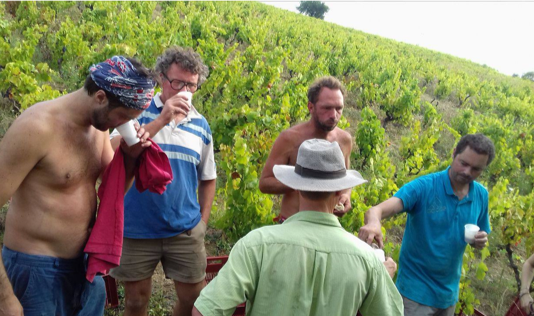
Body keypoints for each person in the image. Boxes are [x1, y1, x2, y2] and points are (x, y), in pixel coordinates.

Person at [0, 56, 156, 316]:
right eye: (123, 117)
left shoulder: (99, 128)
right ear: (101, 97)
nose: (123, 125)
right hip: (35, 270)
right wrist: (1, 295)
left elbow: (112, 190)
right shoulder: (38, 128)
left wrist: (131, 156)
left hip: (82, 267)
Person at [193, 139, 404, 316]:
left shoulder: (257, 245)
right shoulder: (366, 260)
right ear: (340, 190)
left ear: (295, 185)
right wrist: (380, 276)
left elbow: (204, 311)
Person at [109, 46, 216, 316]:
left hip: (185, 228)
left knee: (193, 298)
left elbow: (208, 177)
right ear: (160, 78)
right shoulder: (136, 111)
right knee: (135, 301)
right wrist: (162, 118)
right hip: (136, 228)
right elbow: (110, 149)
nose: (184, 91)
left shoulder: (201, 125)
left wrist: (203, 221)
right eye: (177, 82)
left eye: (191, 85)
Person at [358, 133, 496, 316]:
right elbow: (377, 210)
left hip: (448, 295)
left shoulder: (480, 195)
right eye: (464, 163)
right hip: (414, 294)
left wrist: (479, 241)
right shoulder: (425, 187)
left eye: (476, 169)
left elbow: (480, 233)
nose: (467, 172)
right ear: (454, 153)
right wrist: (374, 221)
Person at [259, 76, 353, 223]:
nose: (334, 115)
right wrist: (301, 183)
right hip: (292, 223)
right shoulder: (290, 139)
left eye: (338, 108)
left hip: (325, 227)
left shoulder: (344, 140)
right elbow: (265, 183)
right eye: (327, 108)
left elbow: (345, 180)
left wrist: (346, 196)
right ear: (311, 107)